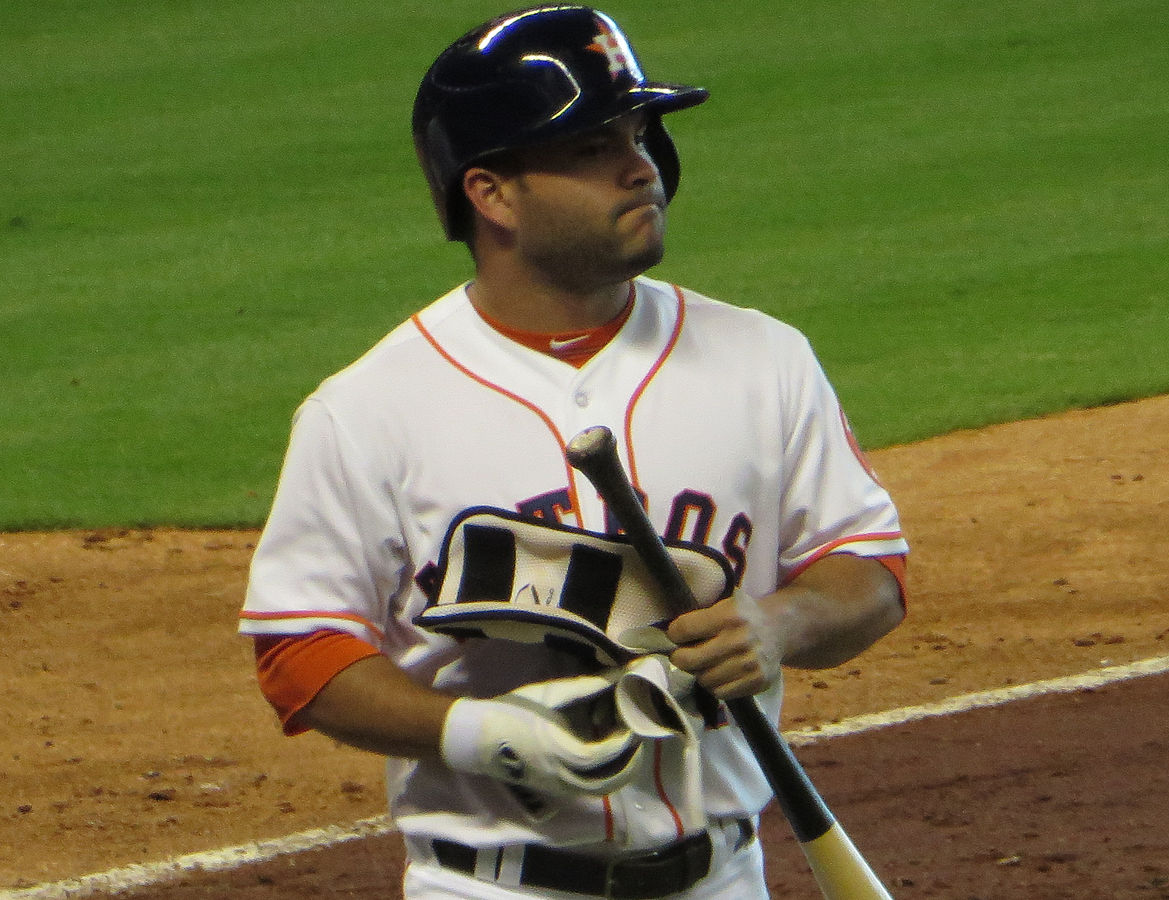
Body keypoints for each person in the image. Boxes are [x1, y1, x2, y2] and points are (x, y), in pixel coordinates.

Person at [239, 6, 908, 899]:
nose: (641, 165)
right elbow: (300, 645)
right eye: (593, 146)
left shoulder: (763, 358)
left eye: (637, 133)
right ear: (493, 193)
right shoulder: (367, 410)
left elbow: (866, 565)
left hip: (724, 877)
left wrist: (780, 624)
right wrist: (479, 732)